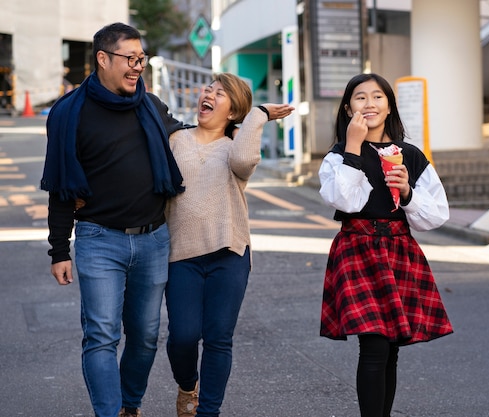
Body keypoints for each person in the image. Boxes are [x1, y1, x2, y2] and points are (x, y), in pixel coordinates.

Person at [40, 22, 186, 417]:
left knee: (145, 337)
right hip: (99, 239)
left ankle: (129, 406)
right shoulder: (70, 114)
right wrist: (59, 250)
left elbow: (190, 141)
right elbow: (60, 186)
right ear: (103, 59)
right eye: (130, 58)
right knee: (102, 335)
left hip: (154, 239)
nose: (138, 66)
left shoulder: (151, 107)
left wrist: (240, 124)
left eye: (142, 58)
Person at [318, 73, 454, 417]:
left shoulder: (409, 155)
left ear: (389, 105)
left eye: (377, 97)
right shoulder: (338, 155)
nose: (369, 104)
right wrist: (353, 148)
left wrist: (407, 192)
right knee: (374, 345)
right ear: (348, 107)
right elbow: (344, 201)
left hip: (399, 250)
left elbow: (436, 214)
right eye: (360, 97)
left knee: (391, 348)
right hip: (357, 248)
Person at [164, 73, 294, 417]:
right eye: (208, 89)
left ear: (234, 111)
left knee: (219, 338)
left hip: (229, 253)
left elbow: (243, 162)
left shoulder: (237, 146)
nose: (208, 94)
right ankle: (187, 384)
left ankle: (208, 412)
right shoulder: (175, 139)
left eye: (219, 93)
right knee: (182, 336)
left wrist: (259, 115)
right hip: (181, 255)